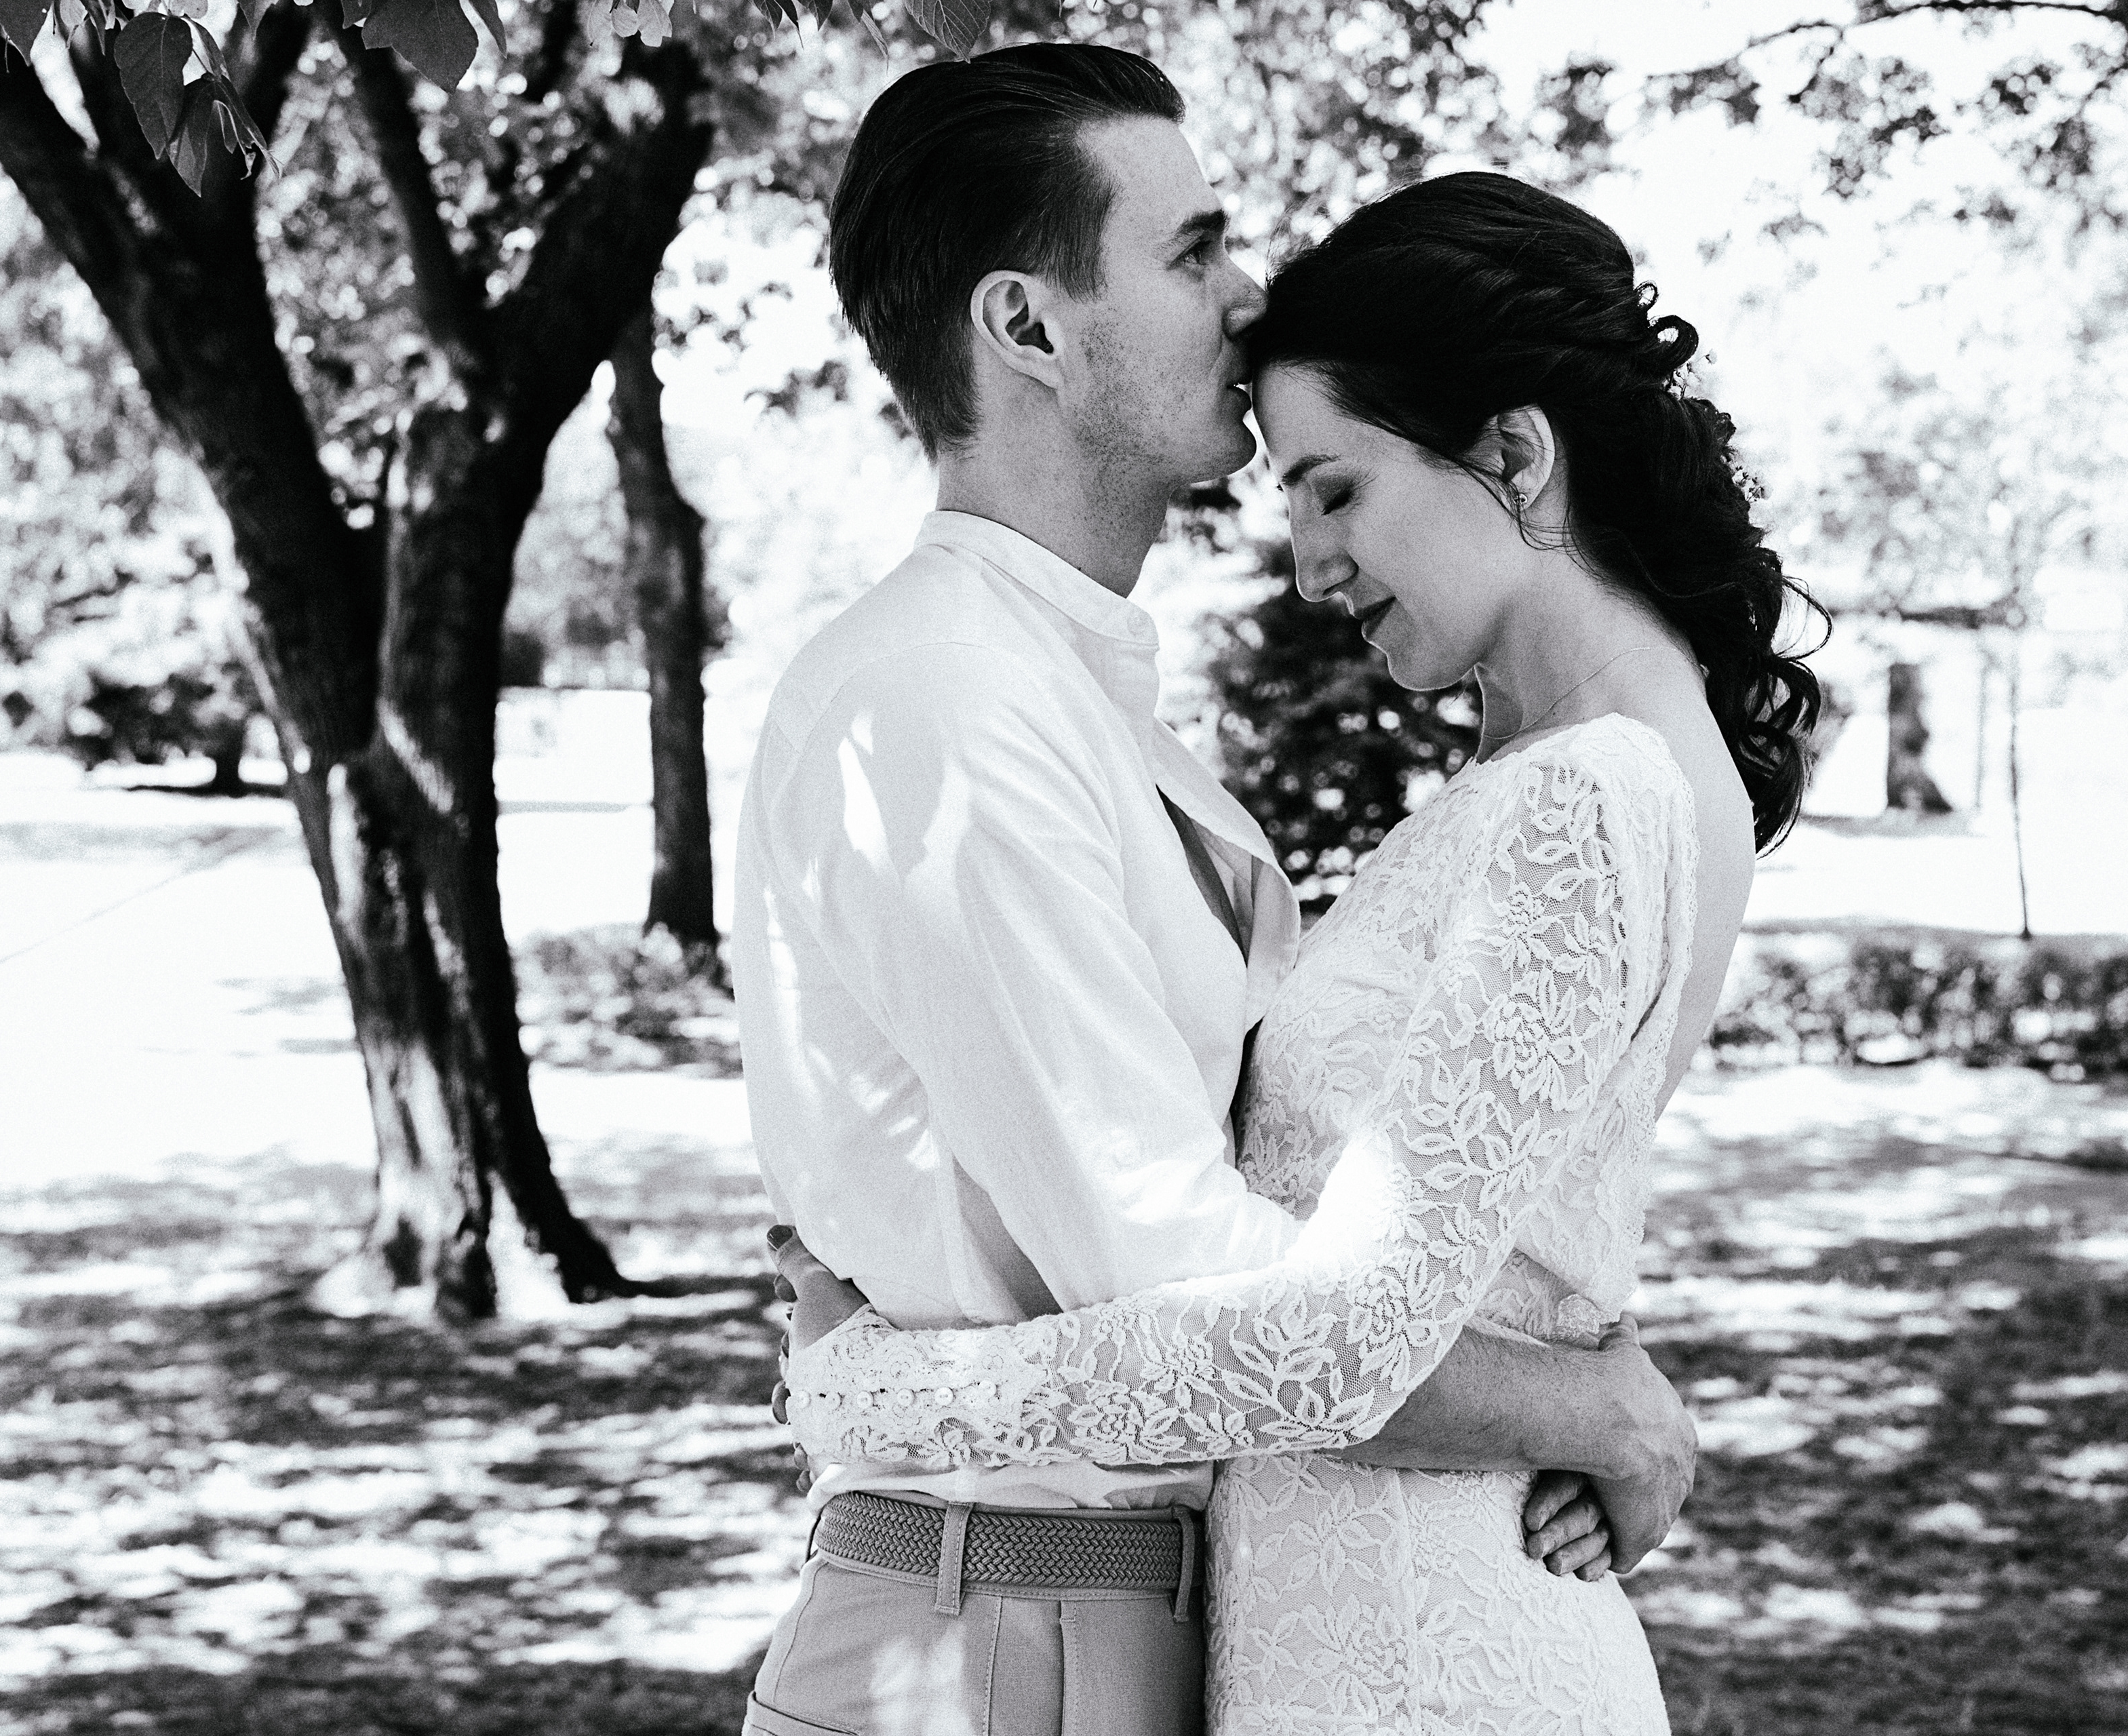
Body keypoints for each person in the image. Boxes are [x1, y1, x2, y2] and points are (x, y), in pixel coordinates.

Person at [774, 168, 1823, 1735]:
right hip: (1349, 1628)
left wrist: (881, 1388)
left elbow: (1348, 1340)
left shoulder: (1595, 791)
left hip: (1429, 1656)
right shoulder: (1576, 769)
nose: (1311, 565)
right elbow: (1490, 1267)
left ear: (1515, 456)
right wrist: (1582, 1390)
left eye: (1335, 491)